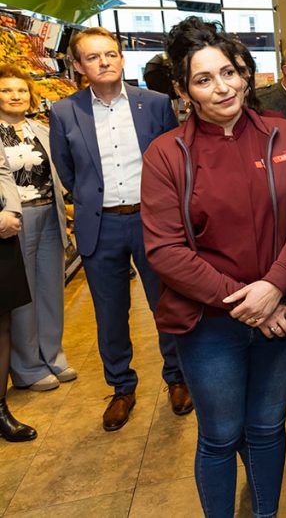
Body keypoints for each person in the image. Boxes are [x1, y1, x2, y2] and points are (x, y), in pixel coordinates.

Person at [141, 18, 286, 517]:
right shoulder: (166, 155)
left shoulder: (285, 136)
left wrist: (275, 287)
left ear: (247, 75)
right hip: (209, 324)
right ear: (183, 90)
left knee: (266, 427)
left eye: (231, 72)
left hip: (283, 314)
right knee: (219, 436)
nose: (223, 87)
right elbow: (166, 252)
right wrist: (252, 301)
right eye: (204, 78)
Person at [49, 27, 190, 431]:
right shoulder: (64, 111)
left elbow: (171, 162)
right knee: (110, 314)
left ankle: (177, 377)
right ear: (78, 66)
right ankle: (122, 387)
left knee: (166, 305)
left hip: (152, 222)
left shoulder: (156, 104)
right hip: (101, 225)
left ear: (122, 58)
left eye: (110, 54)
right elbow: (66, 168)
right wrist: (94, 202)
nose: (104, 62)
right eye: (93, 57)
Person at [0, 66, 75, 391]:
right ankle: (27, 367)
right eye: (6, 90)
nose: (16, 96)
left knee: (50, 290)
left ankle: (53, 355)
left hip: (50, 215)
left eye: (21, 90)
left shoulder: (40, 129)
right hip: (13, 222)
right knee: (23, 296)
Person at [0, 151, 35, 442]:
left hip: (1, 231)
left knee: (2, 322)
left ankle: (0, 410)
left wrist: (11, 211)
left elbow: (2, 170)